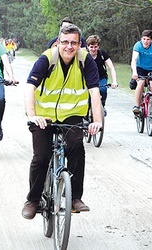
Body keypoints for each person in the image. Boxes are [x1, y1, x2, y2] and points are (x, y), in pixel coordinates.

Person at [22, 24, 102, 219]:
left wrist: (97, 121)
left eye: (74, 43)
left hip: (72, 114)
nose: (69, 46)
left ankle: (75, 198)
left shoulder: (85, 60)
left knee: (76, 147)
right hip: (44, 116)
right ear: (58, 42)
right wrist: (32, 115)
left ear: (79, 44)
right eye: (65, 42)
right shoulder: (47, 59)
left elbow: (95, 92)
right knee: (41, 156)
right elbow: (29, 87)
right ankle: (33, 200)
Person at [86, 34, 118, 115]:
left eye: (95, 47)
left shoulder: (102, 54)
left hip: (101, 77)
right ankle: (86, 114)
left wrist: (114, 81)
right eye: (91, 47)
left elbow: (111, 68)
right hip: (88, 79)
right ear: (87, 46)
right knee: (89, 96)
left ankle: (102, 105)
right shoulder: (84, 55)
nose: (93, 49)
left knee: (103, 90)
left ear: (98, 46)